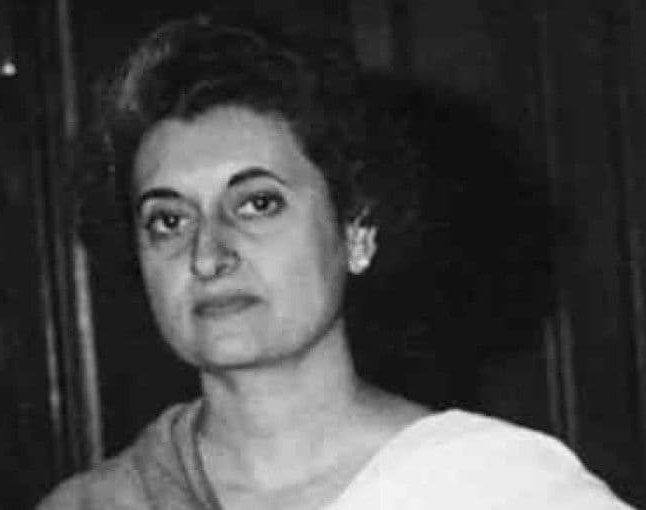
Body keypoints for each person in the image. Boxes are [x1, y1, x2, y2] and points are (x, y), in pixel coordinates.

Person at [37, 17, 633, 509]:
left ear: (356, 233)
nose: (208, 255)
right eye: (168, 220)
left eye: (258, 204)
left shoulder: (498, 488)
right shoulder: (96, 505)